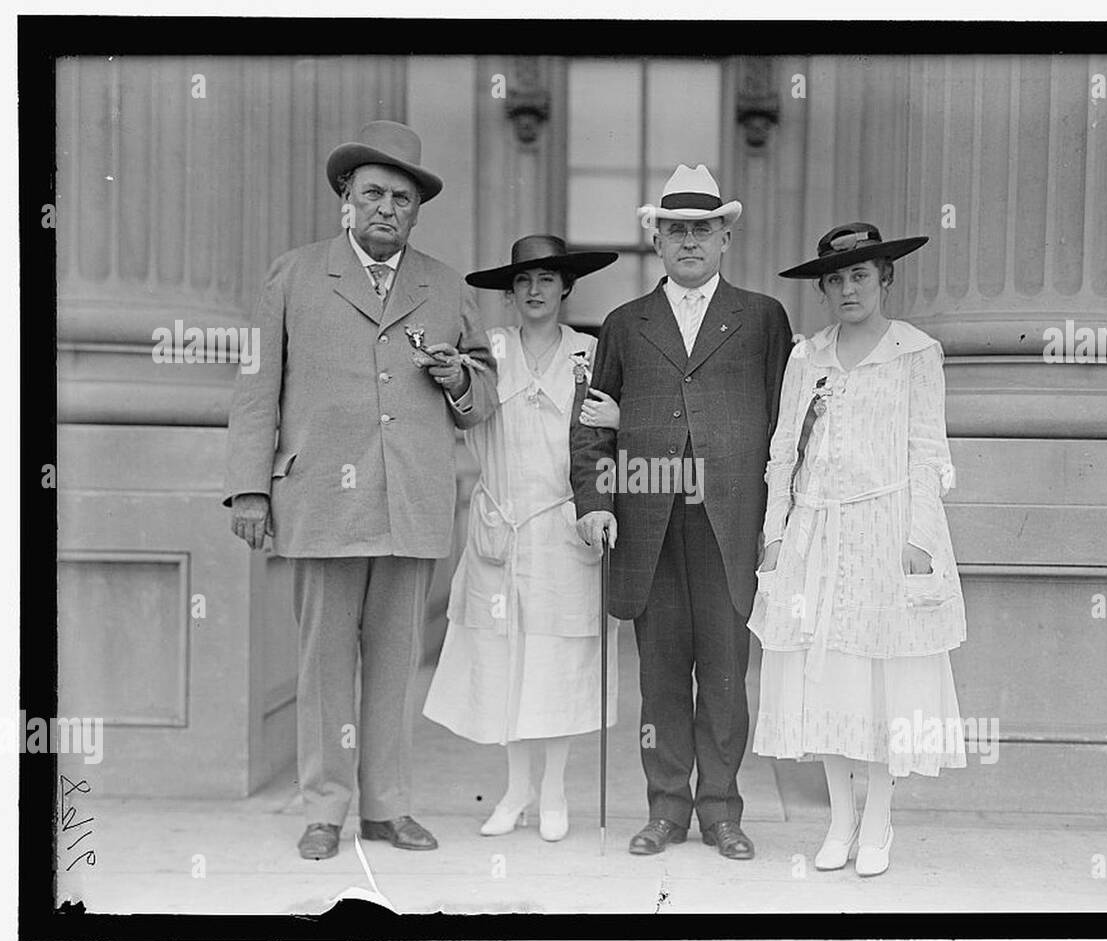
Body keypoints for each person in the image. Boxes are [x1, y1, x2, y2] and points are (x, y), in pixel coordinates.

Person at [224, 120, 499, 861]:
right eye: (372, 193)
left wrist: (458, 378)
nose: (386, 207)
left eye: (402, 198)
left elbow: (482, 393)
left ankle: (386, 809)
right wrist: (249, 491)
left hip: (409, 500)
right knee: (322, 664)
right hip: (320, 499)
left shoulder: (444, 284)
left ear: (416, 210)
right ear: (346, 199)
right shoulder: (294, 274)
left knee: (393, 661)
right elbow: (257, 389)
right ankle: (325, 808)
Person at [571, 164, 793, 860]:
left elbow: (786, 429)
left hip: (732, 523)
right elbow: (592, 424)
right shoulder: (625, 323)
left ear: (724, 237)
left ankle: (722, 812)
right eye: (675, 231)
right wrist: (594, 501)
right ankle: (665, 810)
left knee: (726, 675)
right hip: (650, 522)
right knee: (662, 675)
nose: (689, 242)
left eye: (702, 230)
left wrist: (782, 525)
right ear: (657, 241)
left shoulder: (760, 317)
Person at [749, 222, 968, 876]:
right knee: (825, 682)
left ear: (885, 280)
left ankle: (878, 822)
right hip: (816, 536)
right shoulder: (806, 356)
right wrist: (773, 536)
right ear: (822, 288)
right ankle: (840, 820)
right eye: (836, 279)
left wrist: (919, 540)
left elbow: (928, 452)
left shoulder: (914, 353)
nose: (848, 289)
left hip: (886, 532)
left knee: (880, 680)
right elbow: (785, 448)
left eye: (860, 276)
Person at [424, 235, 620, 843]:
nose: (535, 290)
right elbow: (463, 411)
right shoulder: (488, 351)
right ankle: (516, 791)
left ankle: (556, 790)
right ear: (509, 294)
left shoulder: (590, 354)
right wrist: (454, 377)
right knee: (506, 659)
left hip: (565, 526)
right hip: (500, 524)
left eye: (546, 279)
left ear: (566, 288)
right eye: (523, 281)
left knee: (558, 663)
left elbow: (610, 442)